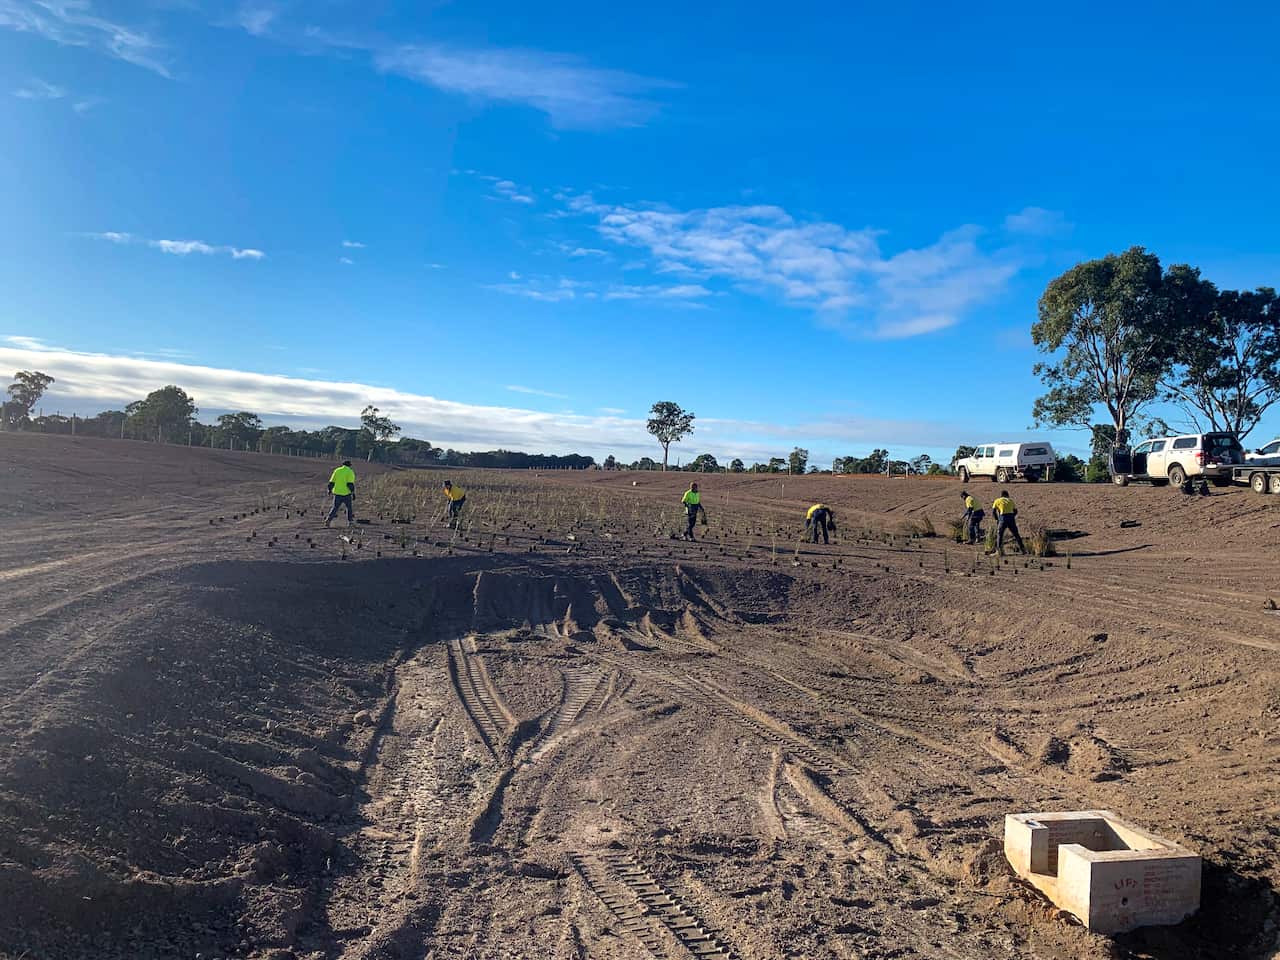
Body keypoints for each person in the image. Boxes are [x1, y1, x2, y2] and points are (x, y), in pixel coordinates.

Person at [991, 489, 1026, 555]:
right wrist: (1012, 516)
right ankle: (1023, 550)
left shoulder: (997, 500)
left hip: (1003, 517)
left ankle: (998, 551)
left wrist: (997, 519)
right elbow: (1015, 511)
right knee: (1016, 534)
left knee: (1000, 534)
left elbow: (993, 512)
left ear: (1001, 495)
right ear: (1007, 495)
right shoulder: (1010, 500)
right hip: (1011, 518)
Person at [325, 460, 356, 527]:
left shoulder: (337, 470)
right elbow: (350, 484)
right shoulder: (350, 472)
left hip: (337, 493)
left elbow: (331, 482)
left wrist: (329, 490)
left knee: (335, 508)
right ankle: (350, 522)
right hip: (346, 494)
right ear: (350, 465)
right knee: (349, 508)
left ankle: (328, 520)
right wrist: (353, 493)